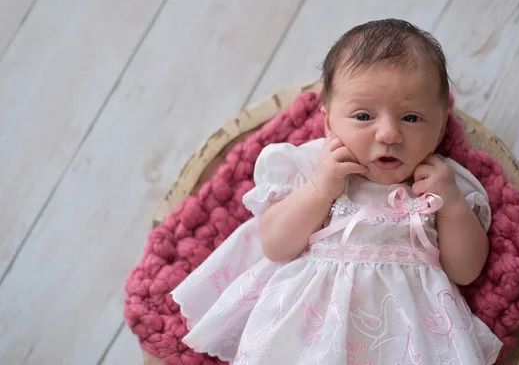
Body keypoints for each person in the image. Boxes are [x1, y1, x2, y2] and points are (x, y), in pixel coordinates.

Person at [171, 19, 502, 364]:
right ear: (329, 123)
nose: (388, 133)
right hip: (308, 335)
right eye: (363, 116)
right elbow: (275, 245)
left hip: (408, 340)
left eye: (412, 118)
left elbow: (465, 271)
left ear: (441, 126)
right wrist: (318, 190)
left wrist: (453, 208)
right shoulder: (313, 168)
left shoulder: (442, 186)